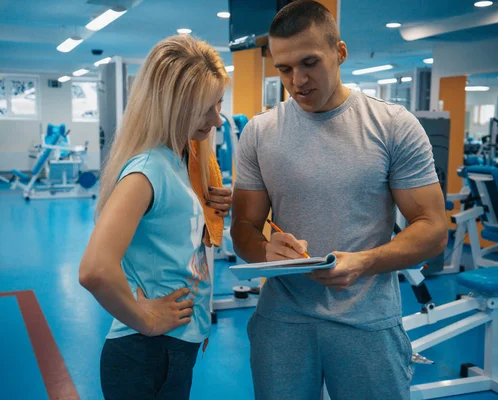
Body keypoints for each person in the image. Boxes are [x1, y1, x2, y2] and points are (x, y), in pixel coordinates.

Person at [230, 1, 448, 399]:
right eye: (284, 69)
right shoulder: (259, 133)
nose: (297, 80)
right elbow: (243, 228)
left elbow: (433, 229)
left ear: (340, 53)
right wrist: (264, 248)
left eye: (309, 62)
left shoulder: (393, 125)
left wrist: (365, 262)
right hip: (283, 322)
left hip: (367, 322)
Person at [79, 35, 232, 400]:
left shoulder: (179, 160)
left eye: (218, 105)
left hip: (173, 347)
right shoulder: (146, 170)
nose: (217, 119)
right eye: (205, 109)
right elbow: (95, 269)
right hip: (145, 354)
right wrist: (145, 318)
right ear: (172, 106)